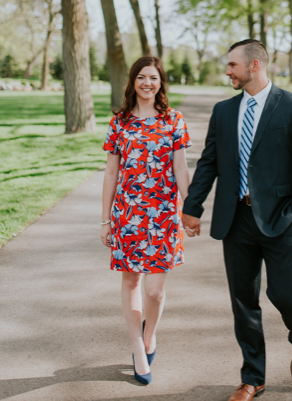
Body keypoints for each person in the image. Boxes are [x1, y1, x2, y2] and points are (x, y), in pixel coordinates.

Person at [181, 39, 292, 401]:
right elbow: (209, 162)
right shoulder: (224, 111)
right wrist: (192, 207)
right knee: (243, 301)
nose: (227, 71)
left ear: (255, 65)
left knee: (289, 297)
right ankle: (252, 377)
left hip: (280, 220)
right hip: (235, 220)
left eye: (232, 65)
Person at [101, 56, 192, 385]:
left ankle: (150, 335)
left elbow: (181, 168)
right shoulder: (119, 122)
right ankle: (138, 347)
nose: (147, 83)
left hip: (164, 217)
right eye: (141, 77)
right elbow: (111, 172)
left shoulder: (174, 121)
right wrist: (105, 220)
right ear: (133, 81)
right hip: (127, 216)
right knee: (131, 283)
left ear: (161, 82)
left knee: (154, 291)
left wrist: (190, 209)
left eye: (152, 77)